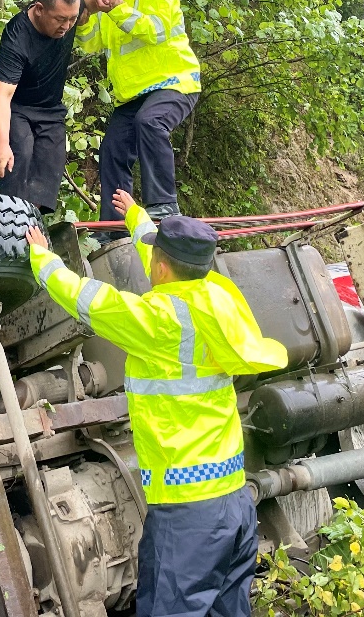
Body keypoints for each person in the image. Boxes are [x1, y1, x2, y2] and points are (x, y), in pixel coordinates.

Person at [25, 191, 288, 617]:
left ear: (160, 266)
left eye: (154, 256)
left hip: (188, 516)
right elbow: (168, 250)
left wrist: (43, 258)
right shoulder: (215, 296)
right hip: (234, 502)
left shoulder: (159, 321)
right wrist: (135, 215)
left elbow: (88, 298)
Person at [75, 0, 201, 224]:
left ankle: (164, 204)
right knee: (113, 149)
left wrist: (118, 9)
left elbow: (155, 30)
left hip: (175, 82)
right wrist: (83, 25)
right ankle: (113, 225)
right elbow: (94, 43)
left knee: (151, 122)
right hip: (133, 95)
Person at [0, 0, 112, 213]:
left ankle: (30, 223)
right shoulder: (18, 37)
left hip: (49, 107)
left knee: (50, 161)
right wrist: (1, 145)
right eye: (60, 19)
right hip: (15, 105)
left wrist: (103, 1)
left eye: (72, 19)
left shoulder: (71, 9)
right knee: (18, 152)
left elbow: (88, 2)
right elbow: (2, 95)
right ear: (40, 10)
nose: (67, 26)